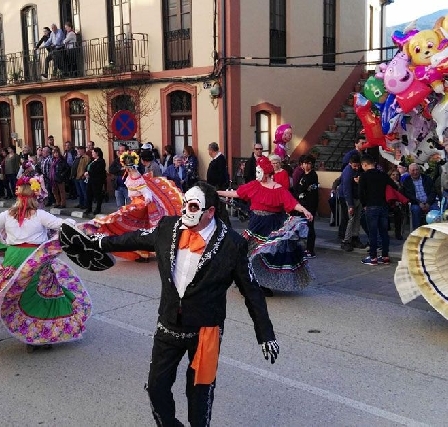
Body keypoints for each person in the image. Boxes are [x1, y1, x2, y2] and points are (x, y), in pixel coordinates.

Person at [60, 181, 278, 426]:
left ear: (210, 212)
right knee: (156, 388)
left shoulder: (233, 245)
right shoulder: (168, 228)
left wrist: (265, 334)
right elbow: (133, 239)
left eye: (193, 206)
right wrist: (98, 242)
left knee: (199, 396)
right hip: (168, 327)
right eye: (185, 204)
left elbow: (252, 292)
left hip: (205, 332)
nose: (186, 211)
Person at [0, 174, 91, 352]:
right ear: (35, 196)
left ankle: (29, 336)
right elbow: (65, 225)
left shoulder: (8, 215)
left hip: (14, 258)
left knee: (9, 293)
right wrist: (91, 229)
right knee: (40, 295)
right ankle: (38, 337)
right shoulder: (40, 215)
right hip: (35, 259)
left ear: (18, 196)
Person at [218, 156, 314, 296]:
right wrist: (216, 193)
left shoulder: (279, 189)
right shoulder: (254, 185)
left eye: (259, 172)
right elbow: (236, 193)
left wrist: (304, 210)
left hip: (272, 225)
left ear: (267, 173)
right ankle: (249, 282)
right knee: (248, 253)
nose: (257, 175)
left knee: (267, 255)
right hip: (256, 224)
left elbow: (292, 203)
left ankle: (262, 283)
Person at [90, 150, 183, 263]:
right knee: (138, 230)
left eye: (127, 167)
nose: (126, 170)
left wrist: (146, 200)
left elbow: (146, 192)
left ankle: (96, 228)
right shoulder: (131, 176)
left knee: (127, 222)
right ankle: (142, 253)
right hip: (136, 204)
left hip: (140, 206)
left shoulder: (137, 178)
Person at [358, 155, 401, 266]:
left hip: (371, 206)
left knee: (373, 233)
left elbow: (360, 193)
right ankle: (385, 256)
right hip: (383, 206)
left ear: (365, 164)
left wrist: (364, 204)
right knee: (384, 232)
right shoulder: (383, 175)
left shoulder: (364, 176)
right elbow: (394, 186)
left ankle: (373, 257)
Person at [339, 154, 367, 252]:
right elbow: (347, 189)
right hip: (349, 198)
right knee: (350, 220)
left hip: (357, 197)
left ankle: (355, 237)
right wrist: (350, 205)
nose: (356, 167)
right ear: (350, 164)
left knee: (357, 219)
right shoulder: (348, 172)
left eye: (358, 165)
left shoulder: (358, 170)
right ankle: (346, 240)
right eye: (354, 165)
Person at [295, 155, 319, 258]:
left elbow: (309, 189)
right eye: (304, 163)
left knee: (310, 226)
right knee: (301, 225)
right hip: (302, 203)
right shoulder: (302, 175)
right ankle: (303, 247)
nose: (306, 165)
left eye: (308, 163)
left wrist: (303, 189)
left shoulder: (313, 175)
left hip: (310, 204)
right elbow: (299, 188)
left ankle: (310, 249)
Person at [402, 162, 438, 231]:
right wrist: (419, 203)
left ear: (420, 170)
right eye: (413, 170)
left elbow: (433, 192)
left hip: (429, 202)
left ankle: (435, 231)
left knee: (436, 210)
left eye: (417, 170)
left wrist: (428, 203)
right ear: (409, 171)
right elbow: (408, 195)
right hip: (416, 203)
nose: (415, 172)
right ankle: (417, 231)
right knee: (415, 210)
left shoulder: (427, 178)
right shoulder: (407, 182)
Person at [84, 147, 107, 215]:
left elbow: (98, 170)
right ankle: (89, 208)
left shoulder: (101, 161)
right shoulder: (92, 160)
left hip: (97, 181)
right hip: (90, 180)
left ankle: (98, 209)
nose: (92, 154)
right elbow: (87, 167)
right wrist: (86, 172)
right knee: (89, 194)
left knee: (97, 195)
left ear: (97, 153)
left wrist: (89, 173)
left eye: (93, 152)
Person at [109, 143, 130, 208]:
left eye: (122, 151)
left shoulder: (130, 160)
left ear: (127, 151)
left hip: (128, 187)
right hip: (118, 187)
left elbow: (127, 171)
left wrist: (118, 171)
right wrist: (120, 169)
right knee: (120, 207)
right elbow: (111, 169)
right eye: (119, 151)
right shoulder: (117, 160)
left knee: (130, 206)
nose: (120, 152)